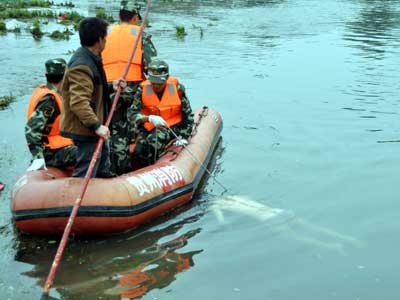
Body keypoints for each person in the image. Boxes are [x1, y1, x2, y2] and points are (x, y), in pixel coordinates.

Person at [102, 0, 157, 175]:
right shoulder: (141, 35)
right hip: (132, 88)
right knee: (139, 125)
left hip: (109, 88)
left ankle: (116, 170)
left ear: (119, 16)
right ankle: (140, 169)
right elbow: (153, 67)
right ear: (135, 18)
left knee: (115, 131)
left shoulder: (104, 33)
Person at [60, 17, 113, 178]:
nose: (106, 41)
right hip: (86, 129)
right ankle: (77, 199)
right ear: (99, 39)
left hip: (93, 128)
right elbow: (78, 102)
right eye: (105, 37)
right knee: (86, 170)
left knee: (102, 165)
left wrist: (112, 86)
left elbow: (92, 89)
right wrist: (97, 126)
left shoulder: (92, 59)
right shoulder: (82, 65)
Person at [127, 58, 194, 167]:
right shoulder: (143, 89)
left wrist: (184, 136)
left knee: (154, 141)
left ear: (167, 78)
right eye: (154, 83)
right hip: (149, 126)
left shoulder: (177, 89)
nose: (156, 86)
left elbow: (188, 114)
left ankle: (154, 167)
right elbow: (132, 114)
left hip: (171, 127)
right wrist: (148, 118)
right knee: (138, 151)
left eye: (160, 84)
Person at [25, 58, 77, 172]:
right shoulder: (49, 102)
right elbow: (31, 130)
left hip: (58, 145)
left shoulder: (50, 92)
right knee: (89, 152)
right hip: (51, 152)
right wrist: (38, 157)